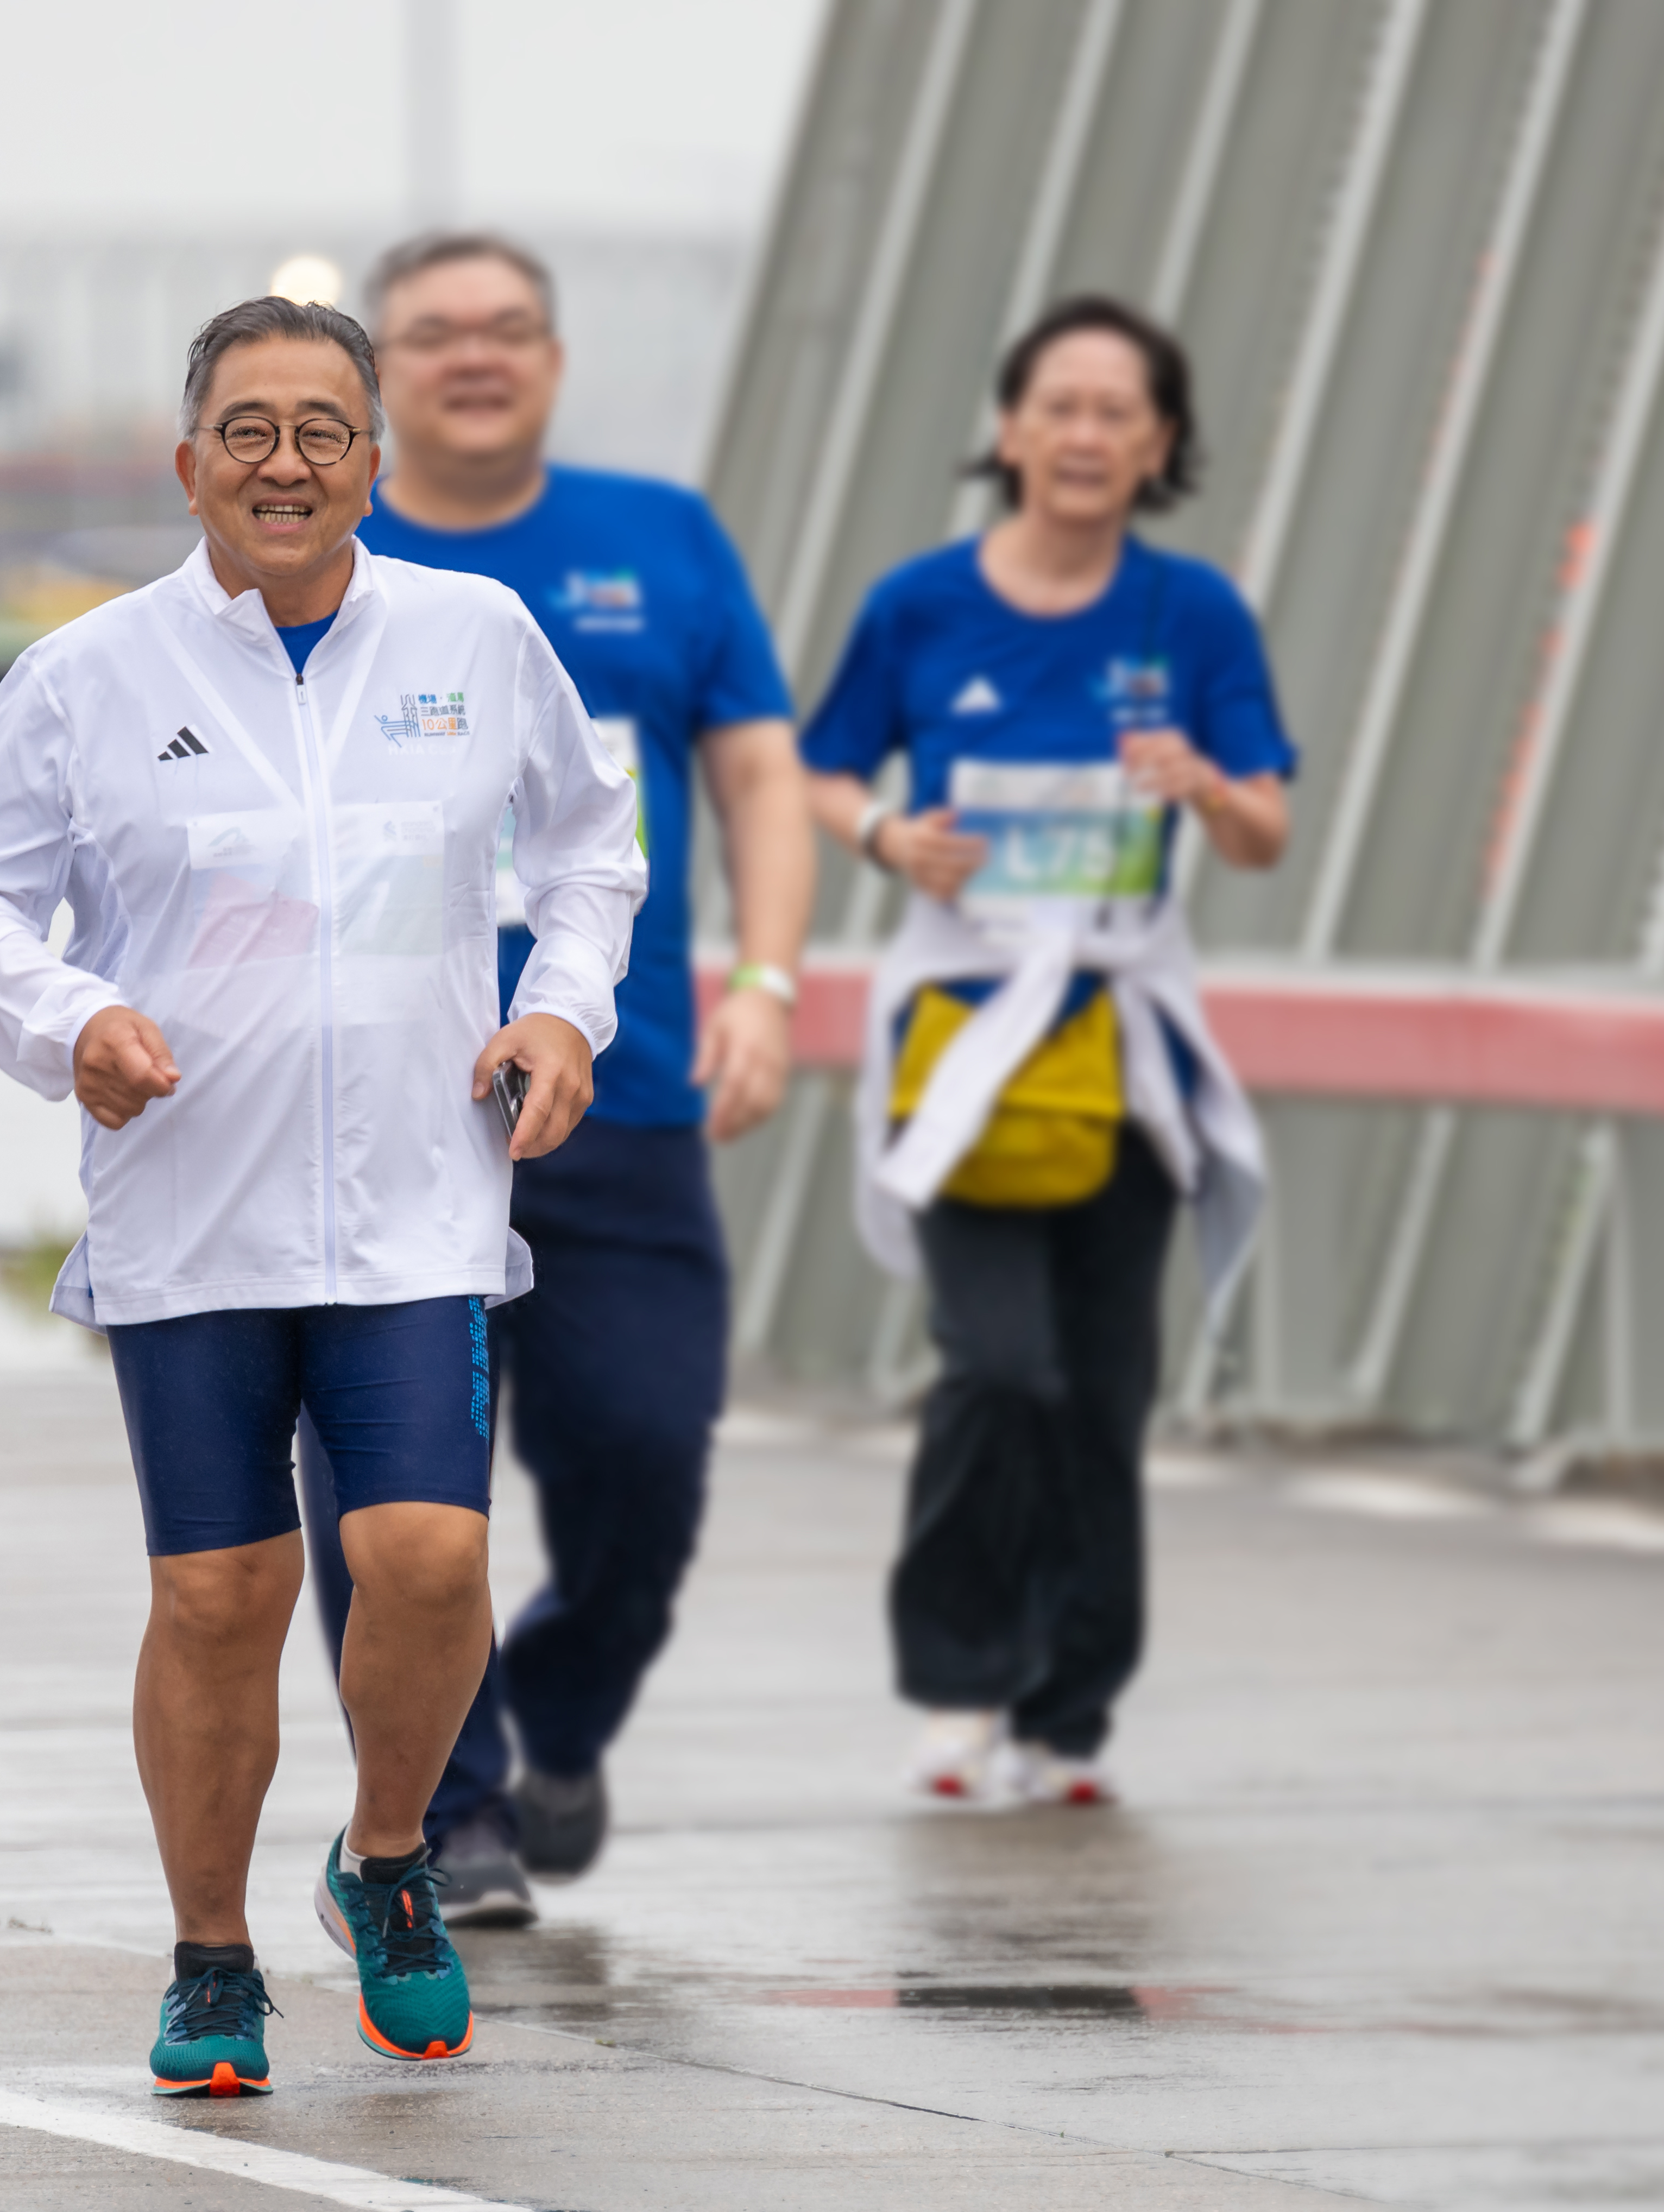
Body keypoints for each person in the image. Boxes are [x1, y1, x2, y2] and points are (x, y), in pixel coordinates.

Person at [0, 296, 643, 2096]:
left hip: (417, 1203)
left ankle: (389, 1858)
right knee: (222, 1594)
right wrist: (69, 1015)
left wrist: (559, 1007)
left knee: (427, 1553)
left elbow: (591, 848)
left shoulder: (478, 635)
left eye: (324, 427)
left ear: (376, 461)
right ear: (188, 465)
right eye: (249, 428)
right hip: (194, 1215)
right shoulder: (90, 677)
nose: (287, 461)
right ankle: (213, 1955)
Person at [288, 232, 810, 1926]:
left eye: (509, 328)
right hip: (377, 1115)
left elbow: (753, 770)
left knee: (649, 1460)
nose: (476, 356)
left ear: (554, 359)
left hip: (626, 1093)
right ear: (379, 382)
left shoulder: (660, 540)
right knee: (390, 1506)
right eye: (434, 334)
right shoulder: (311, 553)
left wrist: (770, 983)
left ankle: (558, 1715)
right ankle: (454, 1811)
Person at [797, 294, 1288, 1807]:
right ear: (1009, 430)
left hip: (1123, 1043)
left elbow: (1265, 830)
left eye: (1118, 412)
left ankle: (1070, 1708)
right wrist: (890, 836)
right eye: (1057, 405)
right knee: (1000, 1366)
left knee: (1102, 1391)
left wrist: (1203, 780)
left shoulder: (1194, 614)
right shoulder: (921, 604)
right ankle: (958, 1682)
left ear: (1160, 447)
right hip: (963, 1038)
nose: (1085, 434)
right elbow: (818, 770)